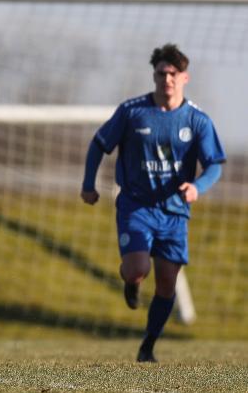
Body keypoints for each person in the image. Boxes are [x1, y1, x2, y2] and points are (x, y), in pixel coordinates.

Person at [81, 44, 225, 362]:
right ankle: (131, 282)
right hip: (137, 205)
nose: (167, 79)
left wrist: (197, 186)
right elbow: (99, 144)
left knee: (166, 283)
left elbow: (214, 163)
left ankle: (148, 346)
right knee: (137, 269)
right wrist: (88, 184)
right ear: (155, 76)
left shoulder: (197, 120)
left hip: (174, 212)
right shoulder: (133, 112)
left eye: (173, 74)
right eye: (161, 73)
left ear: (184, 77)